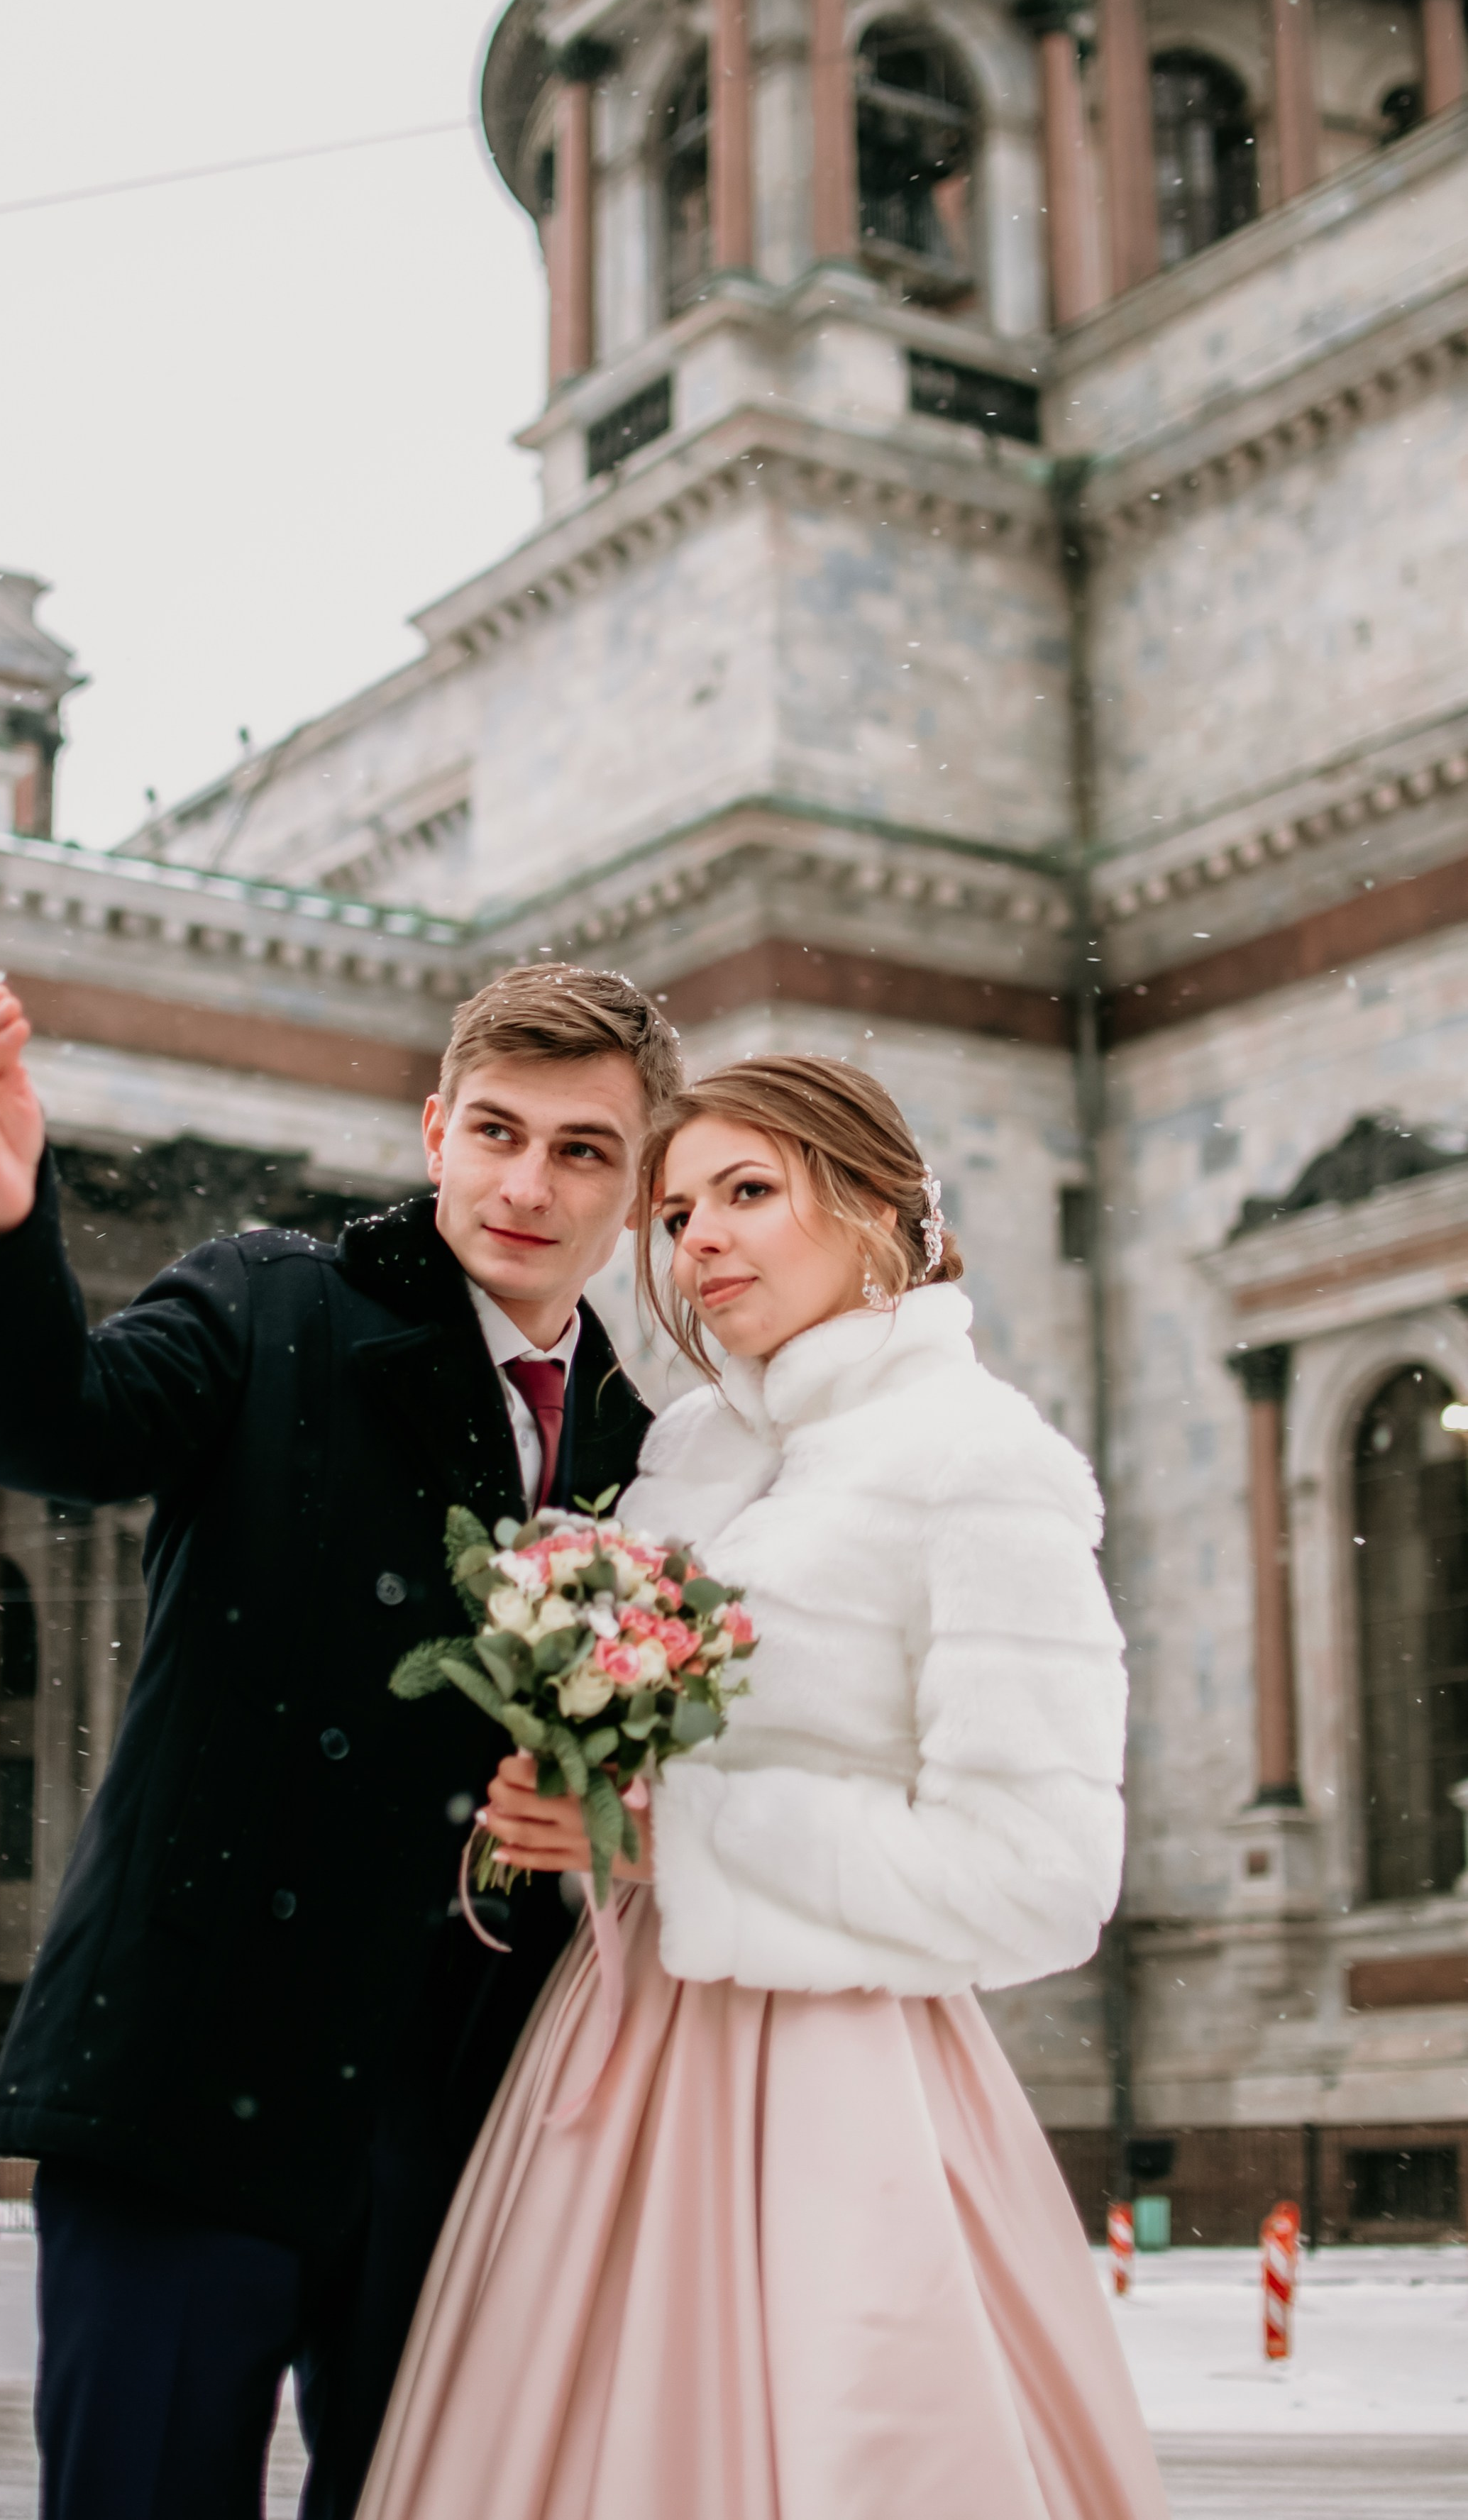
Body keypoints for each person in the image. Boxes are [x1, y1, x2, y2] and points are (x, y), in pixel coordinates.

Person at [0, 963, 680, 2520]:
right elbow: (59, 1424)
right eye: (498, 1131)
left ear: (640, 1180)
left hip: (468, 2124)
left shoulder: (640, 1442)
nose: (529, 1184)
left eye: (584, 1149)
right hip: (195, 2075)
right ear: (433, 1131)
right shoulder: (271, 1298)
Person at [355, 1055, 1169, 2520]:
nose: (697, 1243)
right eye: (672, 1214)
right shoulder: (693, 1459)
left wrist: (687, 1833)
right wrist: (577, 1813)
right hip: (609, 2069)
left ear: (875, 1210)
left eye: (746, 1193)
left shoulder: (978, 1463)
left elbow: (1039, 1872)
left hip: (842, 2098)